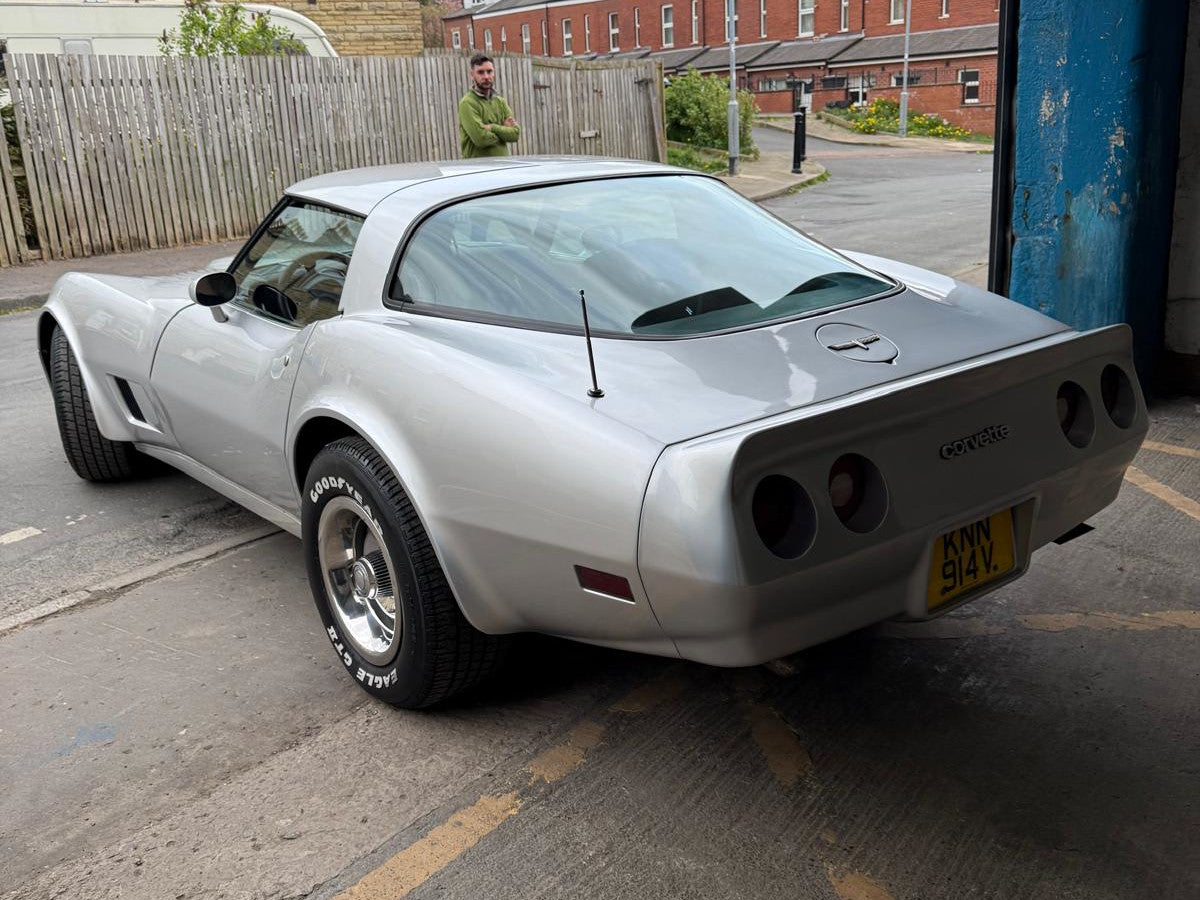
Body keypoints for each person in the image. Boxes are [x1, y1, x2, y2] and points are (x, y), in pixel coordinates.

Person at [458, 53, 521, 159]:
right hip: (478, 169)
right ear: (472, 74)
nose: (486, 76)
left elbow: (515, 134)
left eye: (489, 71)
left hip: (502, 166)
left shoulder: (500, 101)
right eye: (480, 72)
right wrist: (504, 130)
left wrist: (492, 127)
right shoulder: (467, 103)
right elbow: (481, 139)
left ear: (494, 73)